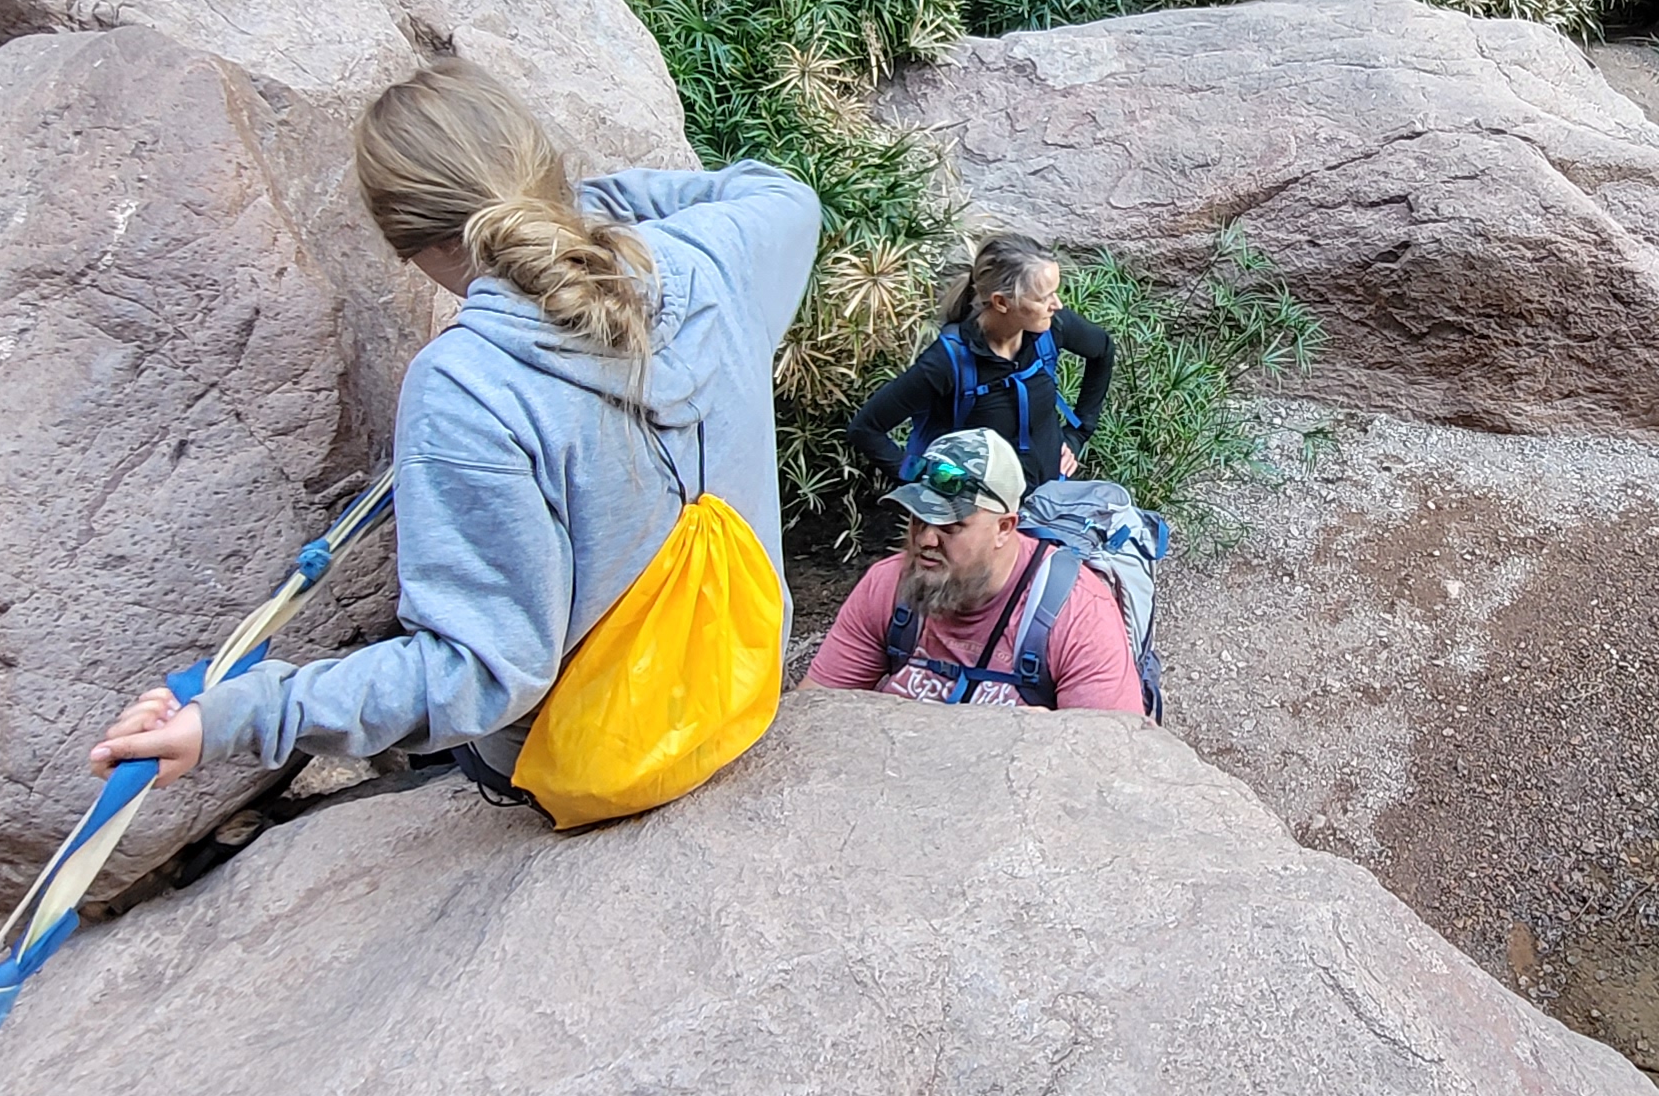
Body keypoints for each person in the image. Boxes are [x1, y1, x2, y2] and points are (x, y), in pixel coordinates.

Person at [91, 57, 818, 783]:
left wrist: (238, 715)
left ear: (411, 245)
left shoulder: (462, 387)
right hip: (744, 683)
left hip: (599, 758)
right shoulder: (717, 257)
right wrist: (578, 217)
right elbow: (785, 194)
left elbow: (481, 672)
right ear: (544, 169)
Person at [801, 428, 1145, 714]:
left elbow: (1112, 767)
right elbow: (811, 714)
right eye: (918, 518)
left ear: (1004, 528)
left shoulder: (1080, 615)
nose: (925, 538)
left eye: (950, 525)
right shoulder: (888, 586)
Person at [843, 234, 1113, 492]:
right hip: (975, 522)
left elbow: (1103, 351)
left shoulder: (1052, 328)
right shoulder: (947, 363)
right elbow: (866, 429)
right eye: (1043, 297)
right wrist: (938, 481)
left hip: (1046, 501)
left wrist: (1078, 434)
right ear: (1001, 302)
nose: (1057, 304)